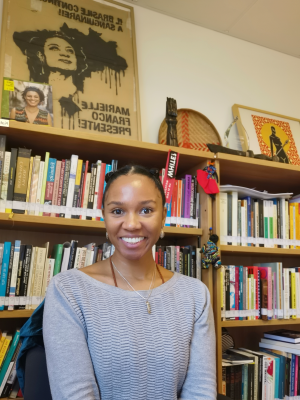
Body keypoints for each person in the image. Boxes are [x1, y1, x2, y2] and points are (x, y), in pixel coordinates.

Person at [43, 165, 216, 400]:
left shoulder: (196, 295)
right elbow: (74, 394)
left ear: (163, 216)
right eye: (117, 211)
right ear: (104, 215)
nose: (132, 224)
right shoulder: (68, 290)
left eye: (146, 210)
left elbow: (201, 391)